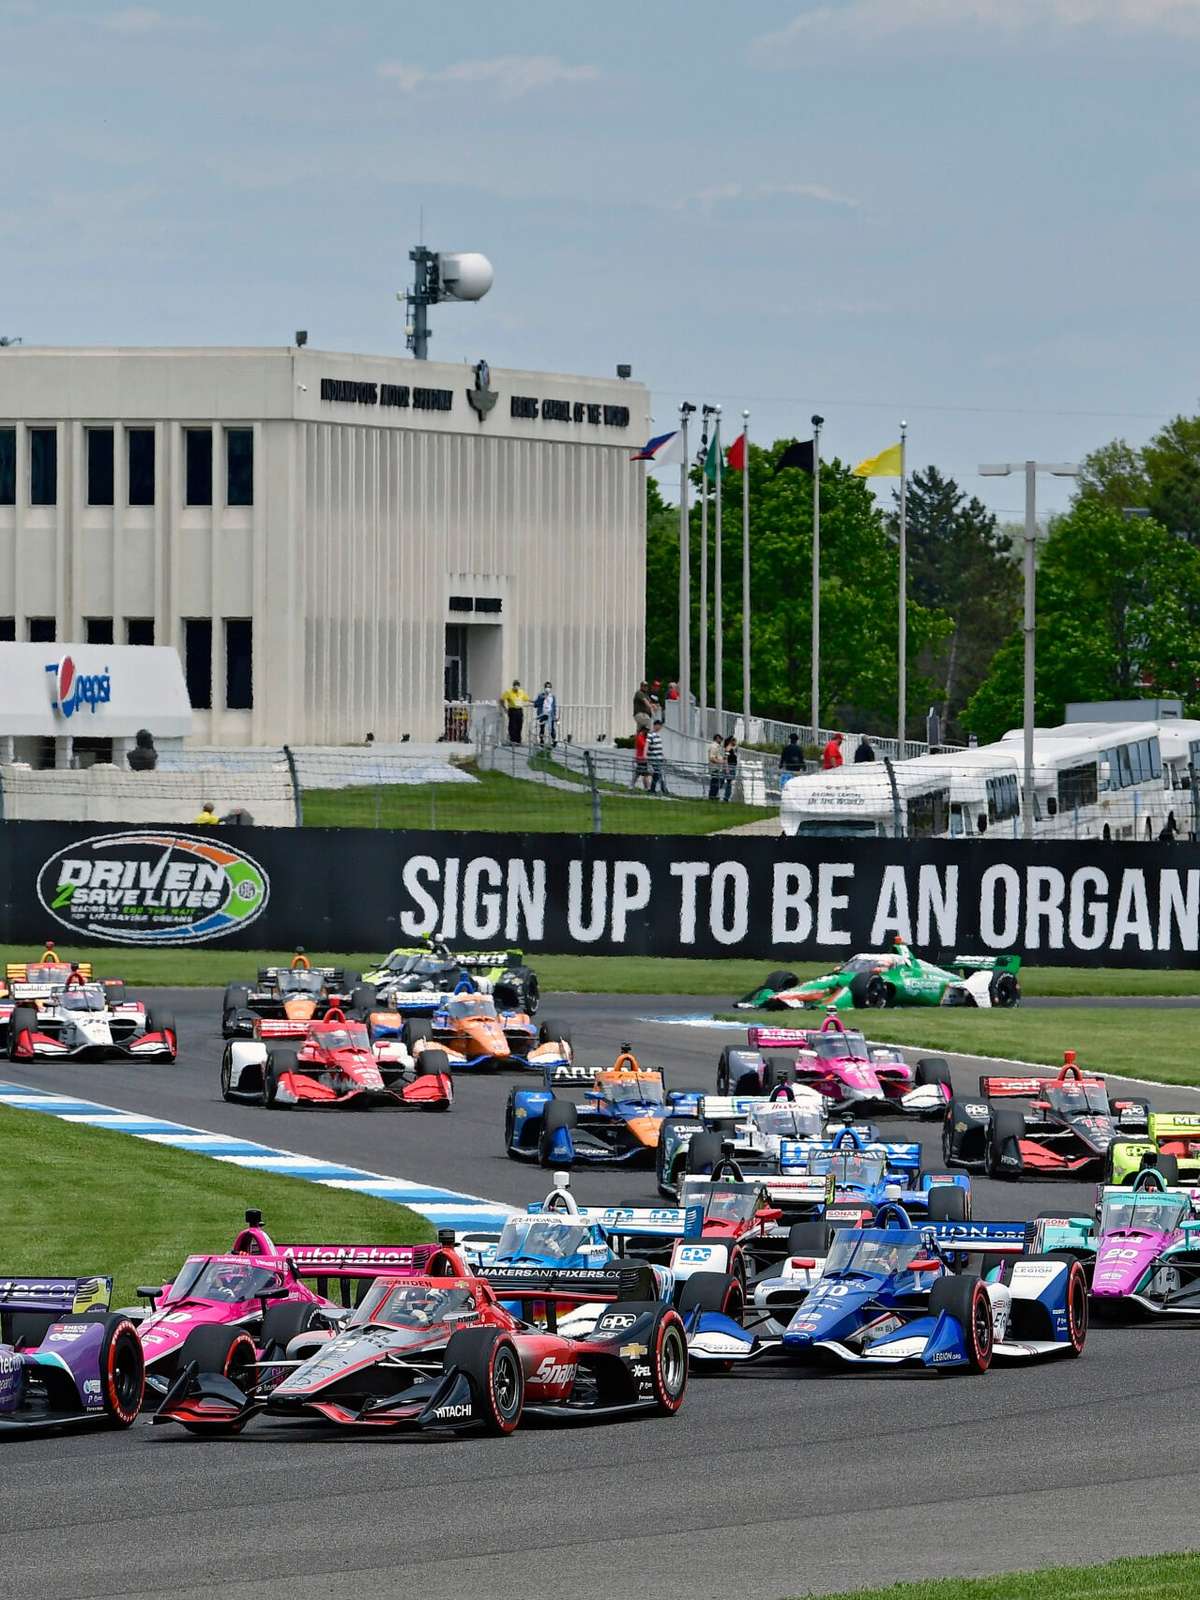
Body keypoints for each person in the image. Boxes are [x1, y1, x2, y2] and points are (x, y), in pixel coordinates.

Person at [499, 680, 531, 744]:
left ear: (519, 686)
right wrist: (505, 708)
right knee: (513, 726)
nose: (516, 688)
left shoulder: (521, 692)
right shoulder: (508, 692)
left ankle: (518, 740)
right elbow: (501, 700)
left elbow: (527, 699)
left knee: (519, 725)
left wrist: (536, 702)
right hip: (512, 710)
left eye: (517, 686)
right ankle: (513, 740)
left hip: (519, 710)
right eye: (515, 686)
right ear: (513, 686)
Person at [534, 681, 558, 746]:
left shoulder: (552, 696)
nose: (548, 688)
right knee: (542, 728)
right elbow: (535, 704)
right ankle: (541, 740)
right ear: (544, 688)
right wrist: (542, 699)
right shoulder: (540, 695)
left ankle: (553, 740)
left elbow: (554, 706)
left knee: (552, 728)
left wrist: (555, 715)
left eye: (549, 687)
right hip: (543, 714)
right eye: (546, 687)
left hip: (550, 714)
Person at [648, 719, 668, 794]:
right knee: (659, 773)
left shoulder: (658, 735)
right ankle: (663, 789)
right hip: (654, 758)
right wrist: (645, 755)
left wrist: (663, 756)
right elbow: (648, 745)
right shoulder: (651, 735)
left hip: (659, 758)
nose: (660, 727)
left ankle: (653, 789)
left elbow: (659, 747)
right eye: (659, 726)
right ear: (656, 725)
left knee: (657, 774)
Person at [707, 733, 724, 800]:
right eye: (720, 739)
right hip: (714, 768)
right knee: (715, 783)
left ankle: (714, 796)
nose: (721, 740)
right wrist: (721, 762)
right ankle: (712, 797)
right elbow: (712, 758)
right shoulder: (714, 746)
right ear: (717, 738)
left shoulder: (717, 747)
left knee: (716, 782)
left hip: (716, 768)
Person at [632, 725, 650, 789]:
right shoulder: (640, 737)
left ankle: (632, 785)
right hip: (641, 758)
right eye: (646, 730)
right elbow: (644, 745)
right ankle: (647, 787)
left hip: (643, 758)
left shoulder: (644, 737)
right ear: (643, 730)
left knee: (641, 772)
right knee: (644, 773)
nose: (647, 732)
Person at [722, 735, 738, 802]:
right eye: (734, 741)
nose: (736, 742)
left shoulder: (731, 749)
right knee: (729, 782)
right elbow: (725, 759)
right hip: (730, 766)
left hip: (732, 766)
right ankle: (726, 797)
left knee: (730, 782)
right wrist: (727, 768)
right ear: (731, 741)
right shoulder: (728, 749)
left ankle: (727, 796)